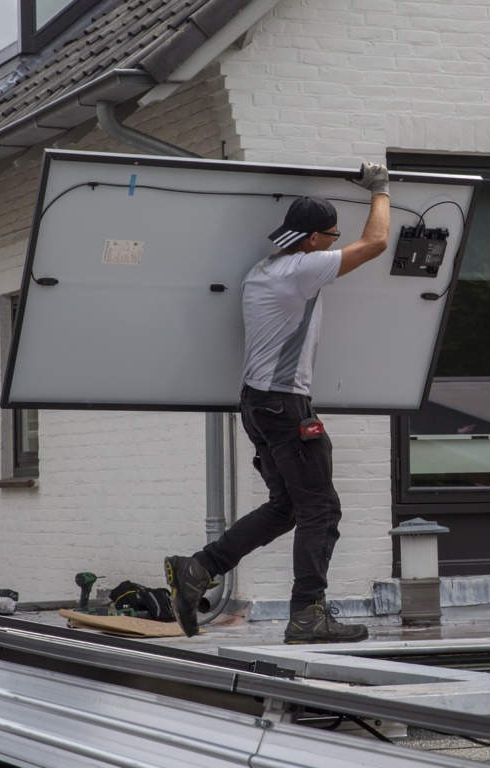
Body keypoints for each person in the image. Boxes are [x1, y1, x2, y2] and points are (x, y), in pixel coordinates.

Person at [165, 162, 391, 644]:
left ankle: (199, 569)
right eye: (330, 236)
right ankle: (308, 613)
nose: (334, 243)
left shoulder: (264, 269)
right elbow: (375, 244)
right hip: (284, 405)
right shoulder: (303, 268)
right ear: (310, 239)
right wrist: (381, 190)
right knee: (320, 510)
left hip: (258, 403)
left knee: (288, 506)